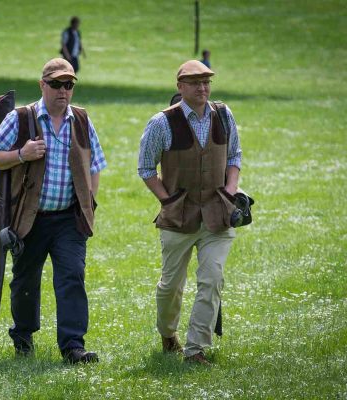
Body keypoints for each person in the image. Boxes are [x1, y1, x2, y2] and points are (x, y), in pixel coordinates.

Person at [0, 58, 106, 364]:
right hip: (29, 217)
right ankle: (23, 337)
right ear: (42, 85)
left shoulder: (81, 119)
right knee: (25, 281)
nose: (63, 90)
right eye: (56, 84)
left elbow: (95, 164)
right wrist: (21, 155)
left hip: (69, 218)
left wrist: (89, 202)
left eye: (68, 85)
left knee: (72, 277)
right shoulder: (20, 117)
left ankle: (73, 347)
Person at [137, 60, 242, 365]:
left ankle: (195, 349)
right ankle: (168, 334)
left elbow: (235, 154)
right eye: (195, 83)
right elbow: (145, 168)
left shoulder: (224, 115)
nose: (202, 88)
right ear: (180, 87)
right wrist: (167, 201)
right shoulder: (161, 123)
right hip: (177, 218)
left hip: (218, 214)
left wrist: (231, 193)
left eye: (207, 82)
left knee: (212, 279)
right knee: (171, 286)